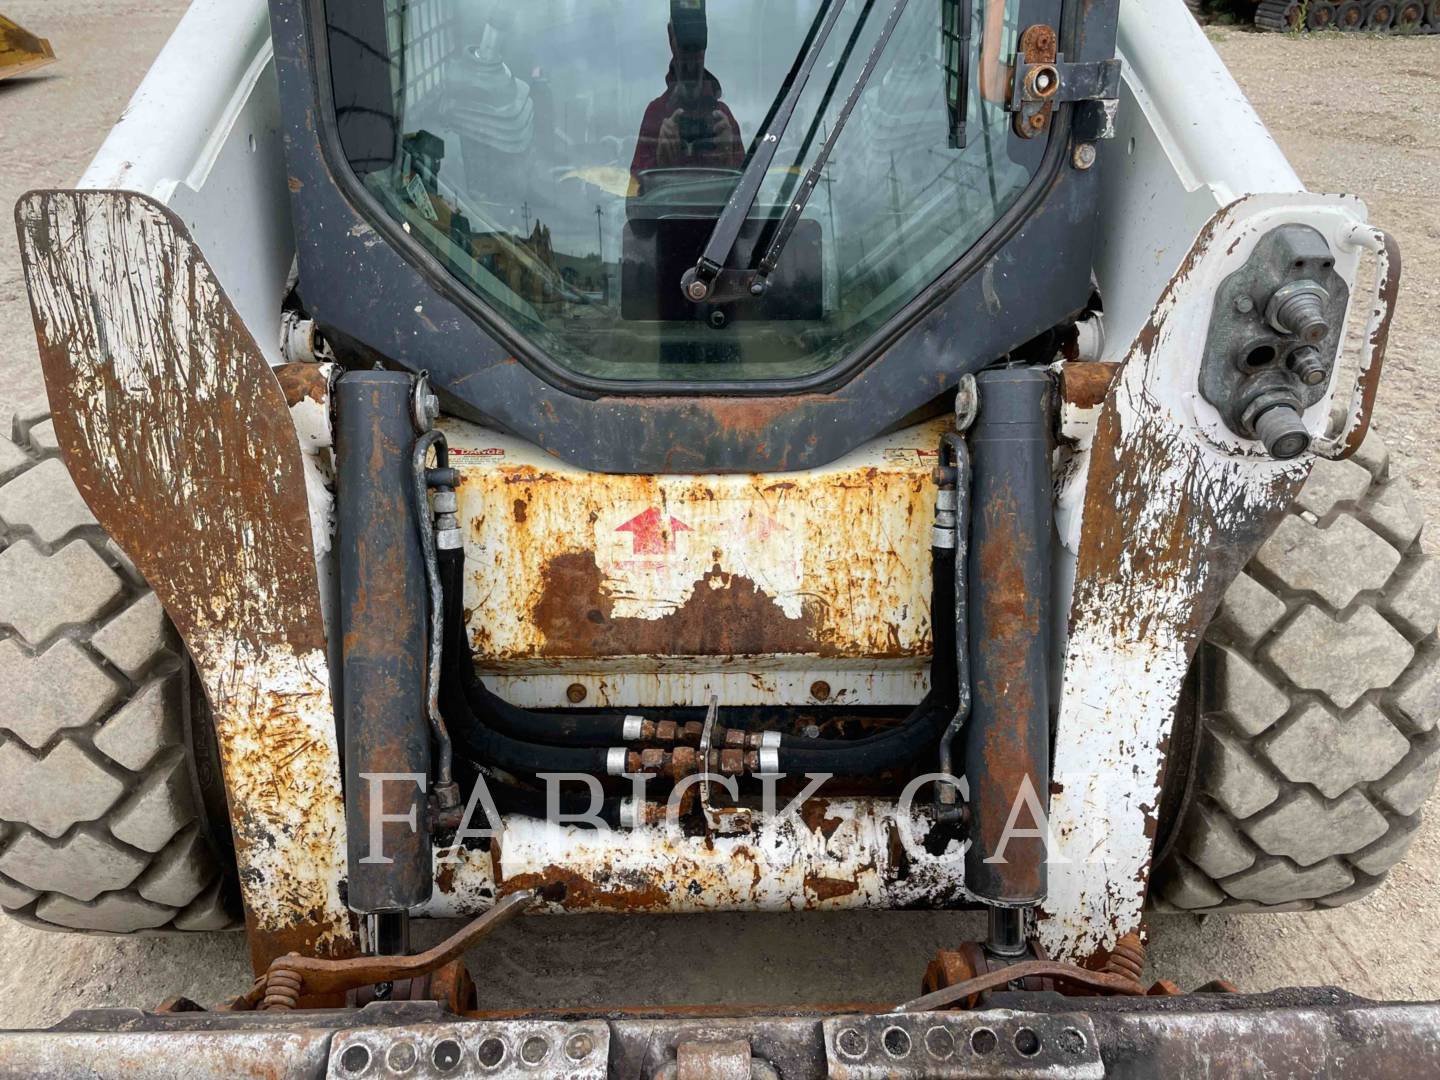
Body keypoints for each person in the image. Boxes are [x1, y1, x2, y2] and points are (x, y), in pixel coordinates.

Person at [630, 0, 744, 182]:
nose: (691, 64)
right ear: (670, 37)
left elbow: (753, 204)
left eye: (696, 49)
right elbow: (633, 206)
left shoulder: (724, 121)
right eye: (684, 49)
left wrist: (730, 162)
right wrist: (659, 166)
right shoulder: (655, 117)